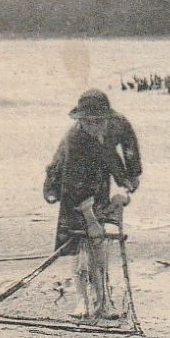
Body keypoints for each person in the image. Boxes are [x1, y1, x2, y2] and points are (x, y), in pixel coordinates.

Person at [42, 89, 139, 319]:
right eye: (88, 122)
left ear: (108, 117)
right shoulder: (75, 140)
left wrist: (127, 185)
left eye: (99, 121)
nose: (95, 126)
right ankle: (83, 300)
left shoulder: (118, 124)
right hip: (68, 184)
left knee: (98, 242)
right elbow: (75, 187)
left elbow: (129, 152)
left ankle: (103, 301)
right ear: (81, 121)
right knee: (80, 240)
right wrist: (91, 220)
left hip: (99, 176)